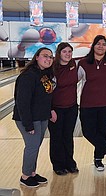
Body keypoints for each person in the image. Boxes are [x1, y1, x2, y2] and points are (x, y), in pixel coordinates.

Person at [13, 47, 55, 187]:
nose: (48, 59)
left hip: (41, 117)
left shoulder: (44, 74)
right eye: (45, 56)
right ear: (37, 57)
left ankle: (32, 173)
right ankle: (25, 176)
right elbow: (22, 102)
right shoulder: (28, 76)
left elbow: (45, 97)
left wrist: (49, 112)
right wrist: (28, 124)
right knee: (32, 146)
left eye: (50, 57)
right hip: (29, 119)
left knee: (35, 146)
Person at [78, 35, 106, 171]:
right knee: (88, 132)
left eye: (103, 44)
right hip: (87, 104)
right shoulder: (84, 63)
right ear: (93, 46)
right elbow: (74, 80)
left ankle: (98, 160)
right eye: (98, 43)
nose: (101, 46)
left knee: (102, 132)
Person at [48, 42, 79, 175]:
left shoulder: (74, 64)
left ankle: (69, 163)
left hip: (71, 108)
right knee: (56, 137)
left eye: (70, 52)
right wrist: (50, 109)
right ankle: (58, 165)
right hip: (56, 109)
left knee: (67, 136)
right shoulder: (51, 69)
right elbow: (46, 91)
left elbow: (89, 57)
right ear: (59, 53)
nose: (68, 54)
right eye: (65, 52)